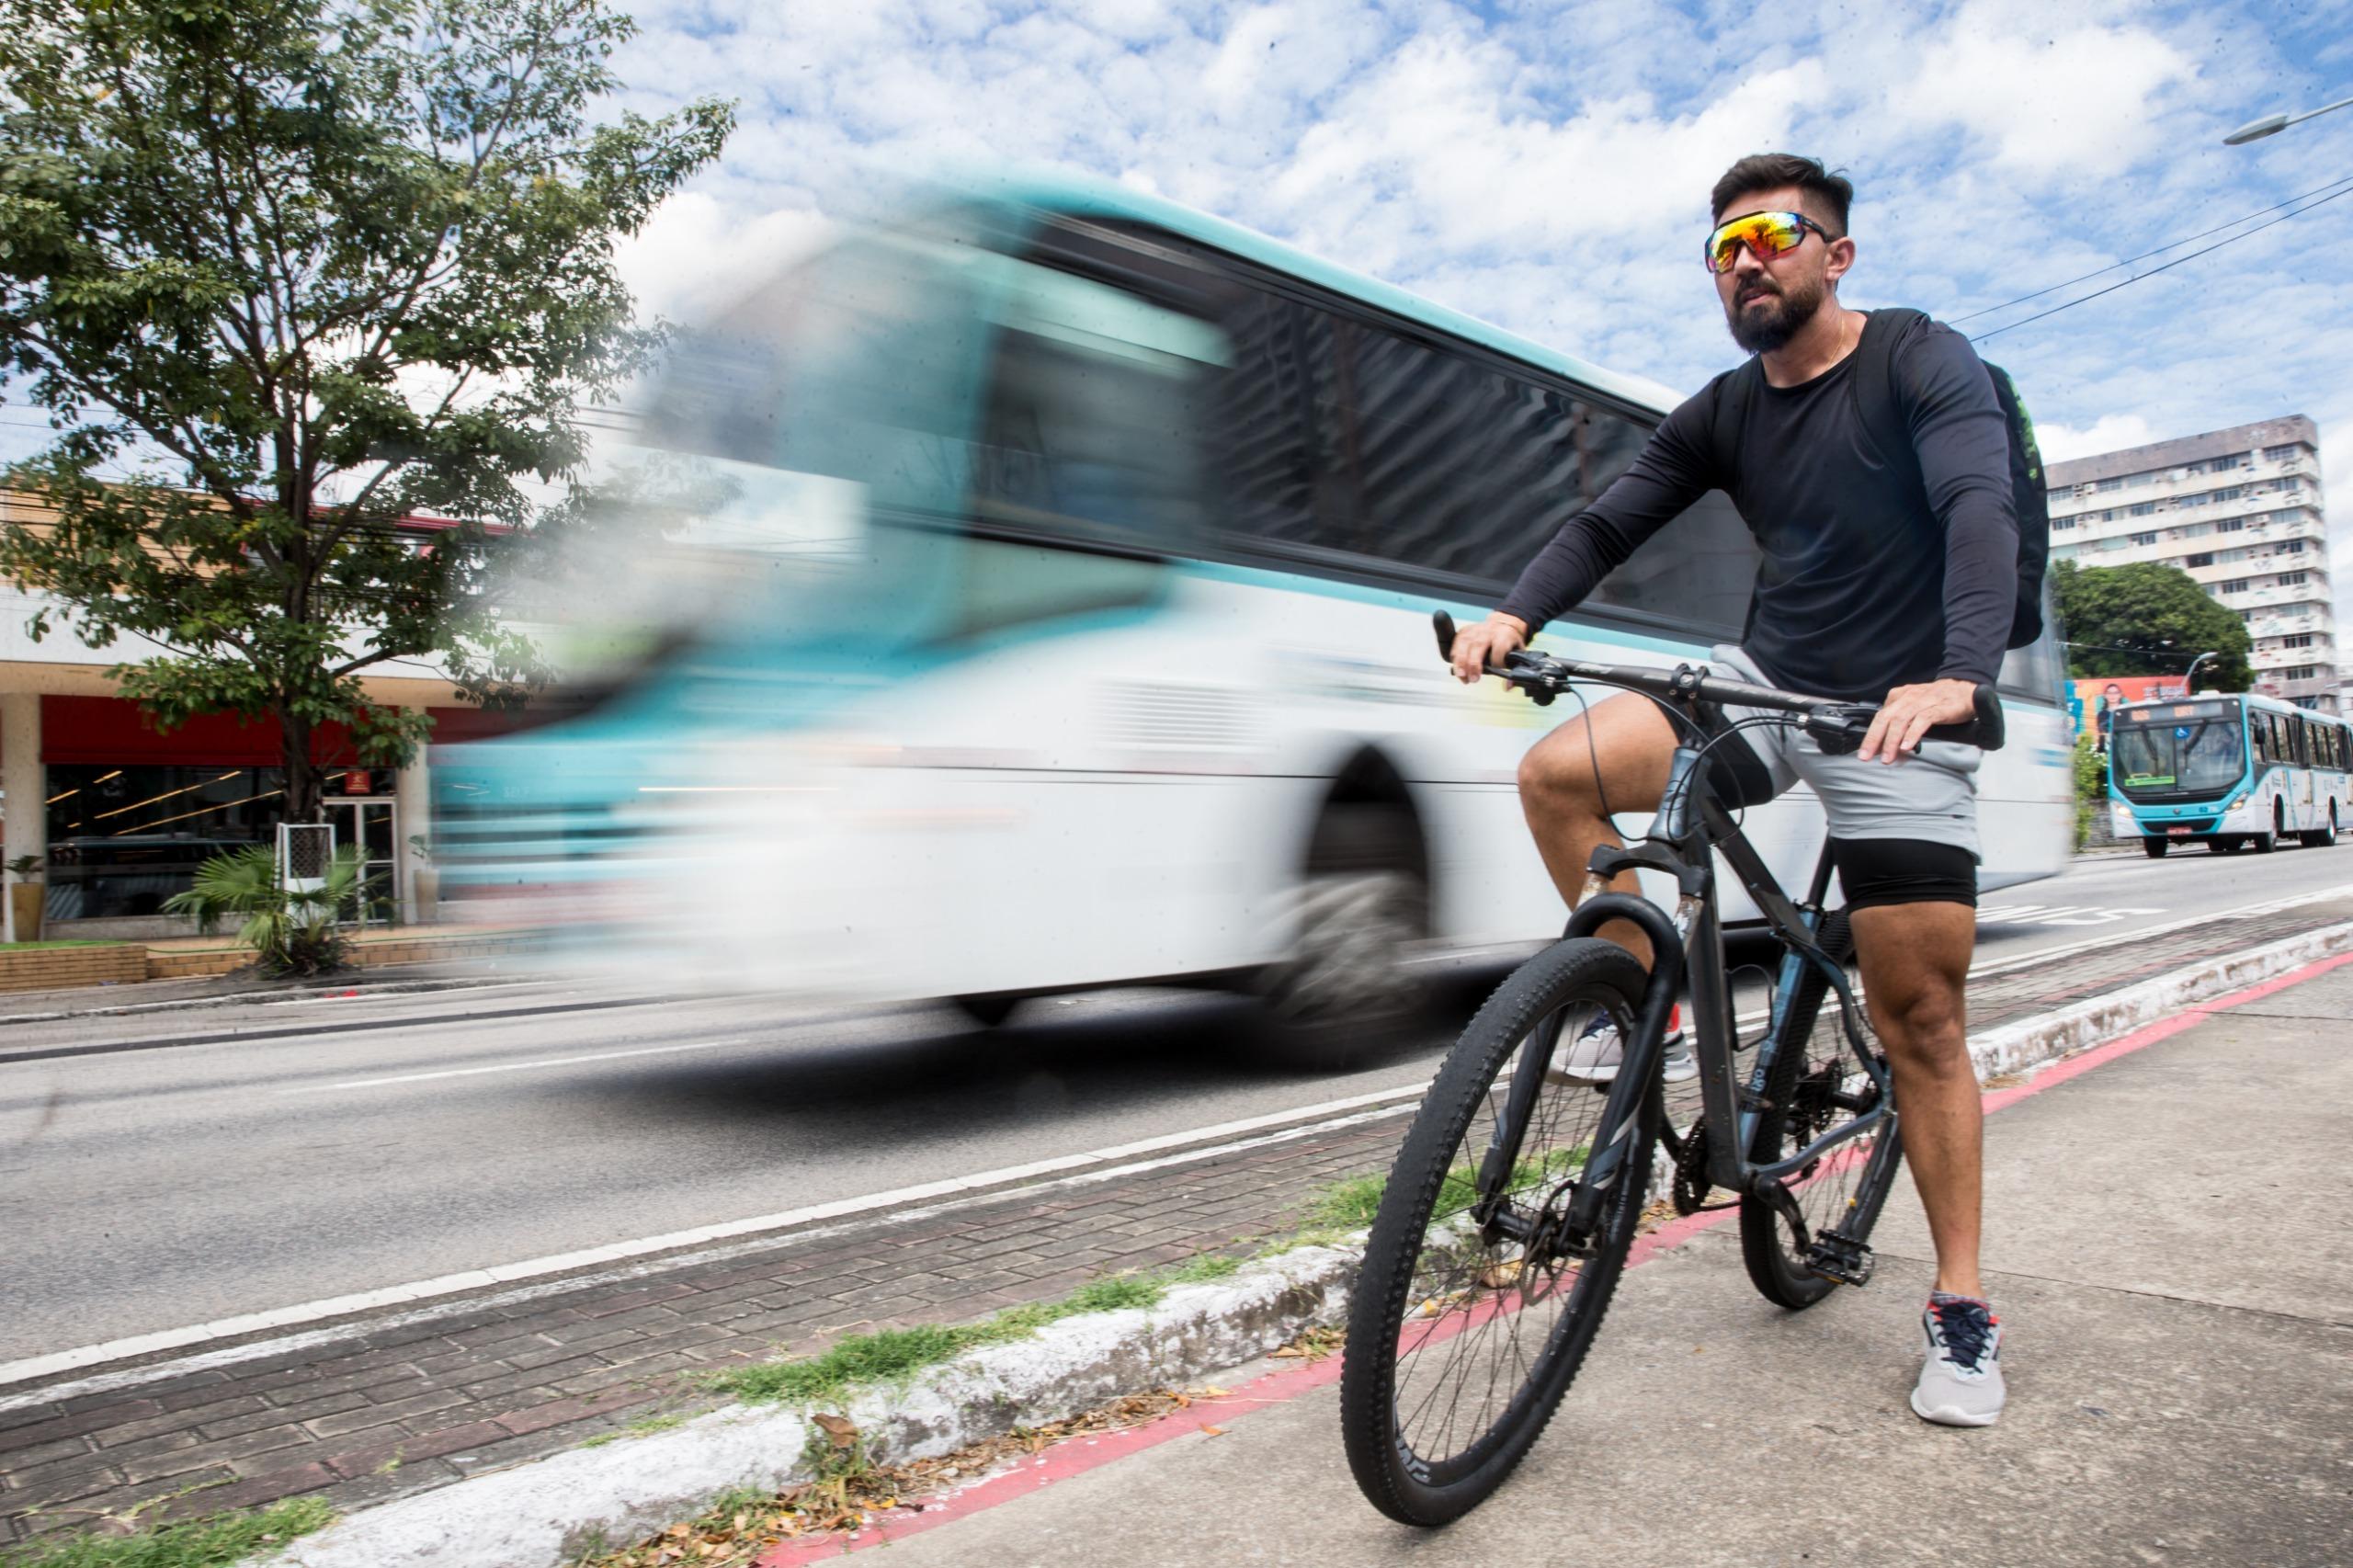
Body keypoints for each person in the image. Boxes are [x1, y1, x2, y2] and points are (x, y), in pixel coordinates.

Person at [1449, 153, 2015, 1427]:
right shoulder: (1724, 408)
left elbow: (1980, 504)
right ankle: (1631, 988)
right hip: (1768, 681)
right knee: (1555, 775)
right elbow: (1609, 521)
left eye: (1771, 234)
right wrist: (1512, 611)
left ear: (1836, 255)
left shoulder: (1924, 359)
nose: (1746, 259)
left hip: (1895, 713)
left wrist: (1959, 677)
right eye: (1724, 247)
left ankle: (1965, 1310)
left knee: (1919, 1016)